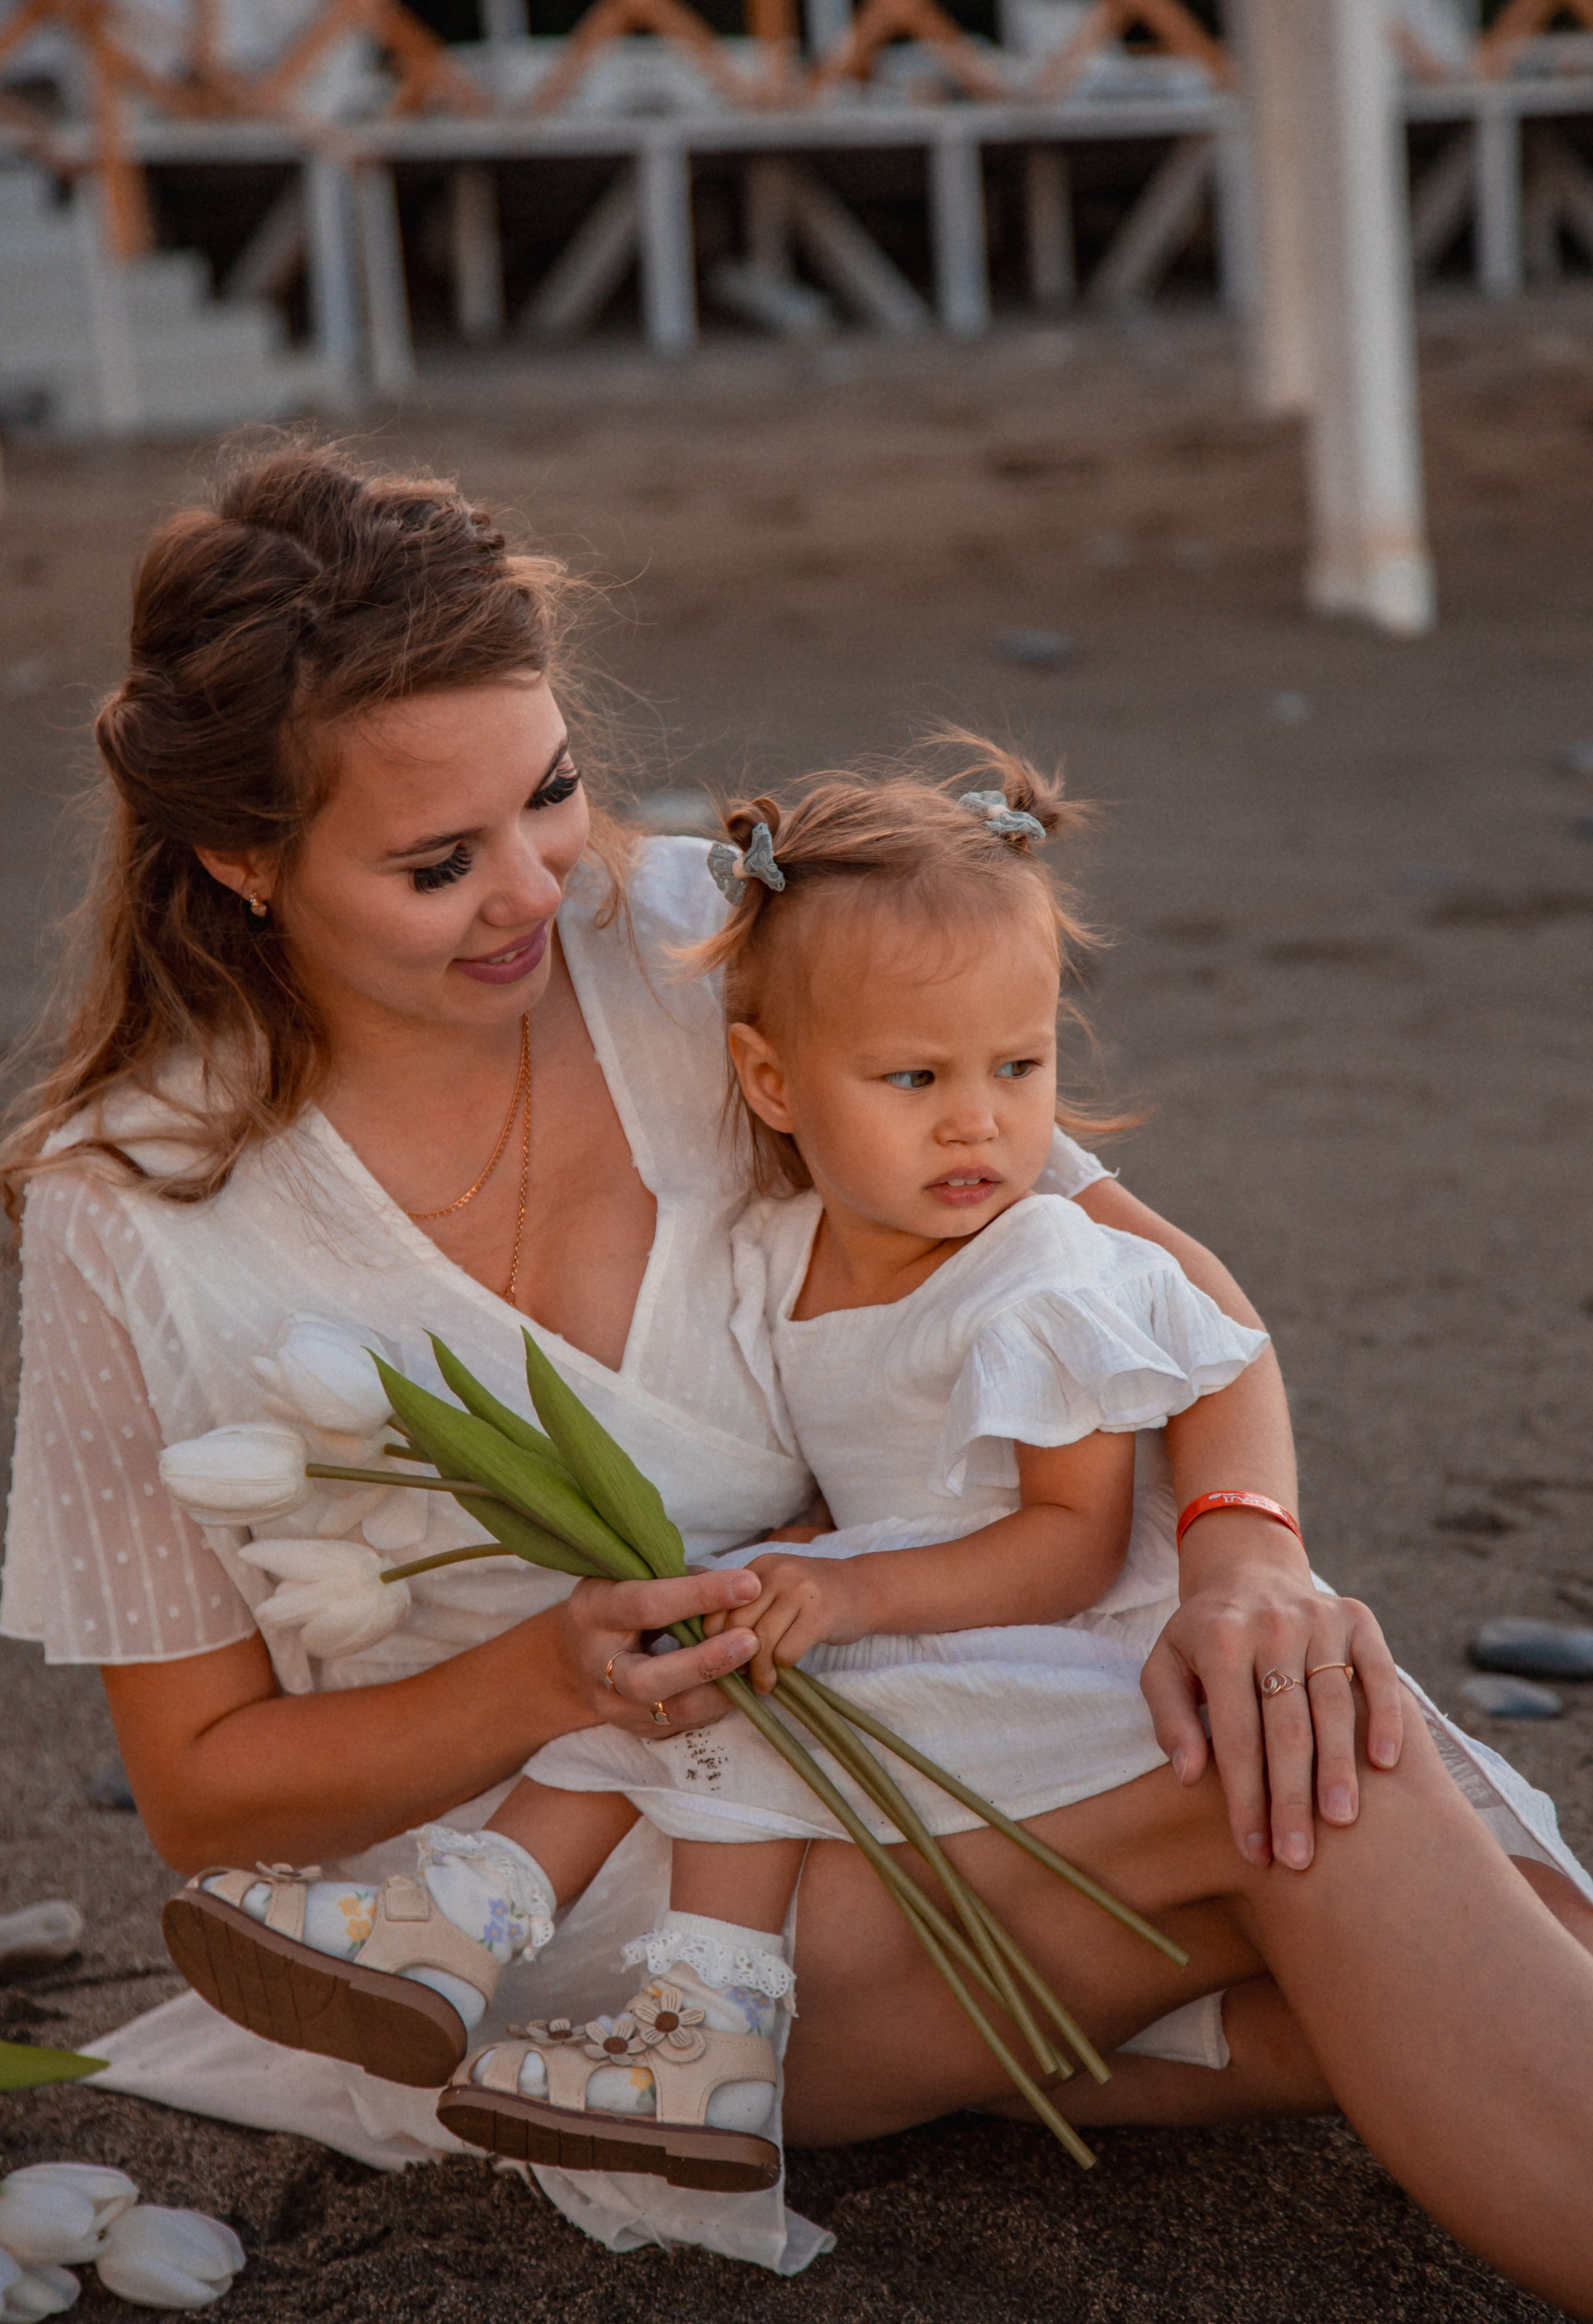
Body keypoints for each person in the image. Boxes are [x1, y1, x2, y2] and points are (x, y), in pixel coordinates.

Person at [1, 443, 1590, 2307]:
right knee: (1316, 1790)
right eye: (439, 864)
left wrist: (1246, 1554)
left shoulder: (706, 949)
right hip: (582, 1923)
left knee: (1370, 1817)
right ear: (241, 859)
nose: (531, 888)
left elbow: (1150, 1288)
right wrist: (547, 1669)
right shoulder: (136, 1203)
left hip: (909, 1715)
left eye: (554, 795)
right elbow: (202, 1797)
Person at [161, 751, 1275, 2202]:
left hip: (1045, 1655)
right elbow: (849, 1450)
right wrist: (804, 1551)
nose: (979, 1122)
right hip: (888, 1603)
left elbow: (1065, 1544)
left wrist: (846, 1577)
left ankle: (667, 2001)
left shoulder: (1043, 1272)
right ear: (769, 1079)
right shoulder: (774, 1258)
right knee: (672, 1661)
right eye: (914, 1077)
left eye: (1019, 1068)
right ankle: (482, 1928)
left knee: (728, 1700)